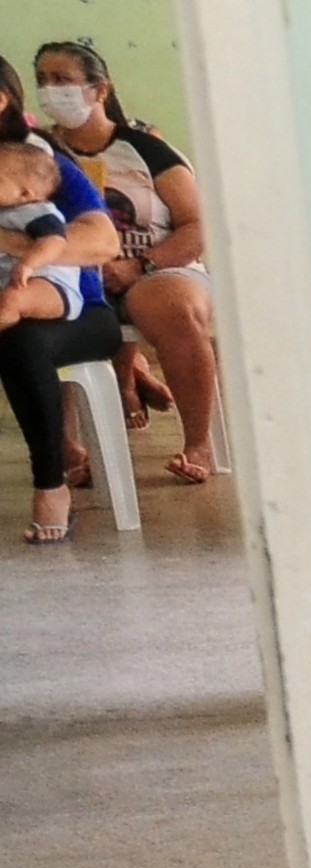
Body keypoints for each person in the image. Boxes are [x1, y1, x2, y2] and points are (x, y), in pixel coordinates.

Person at [28, 41, 218, 483]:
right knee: (37, 315)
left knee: (168, 305)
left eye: (63, 80)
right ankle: (68, 451)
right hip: (74, 273)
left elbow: (196, 225)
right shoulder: (38, 154)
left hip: (156, 267)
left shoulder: (145, 148)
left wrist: (140, 265)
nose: (51, 90)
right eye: (42, 81)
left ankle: (197, 445)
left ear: (99, 89)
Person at [0, 59, 120, 543]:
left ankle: (52, 485)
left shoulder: (34, 162)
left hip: (78, 308)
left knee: (21, 339)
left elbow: (103, 242)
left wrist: (12, 247)